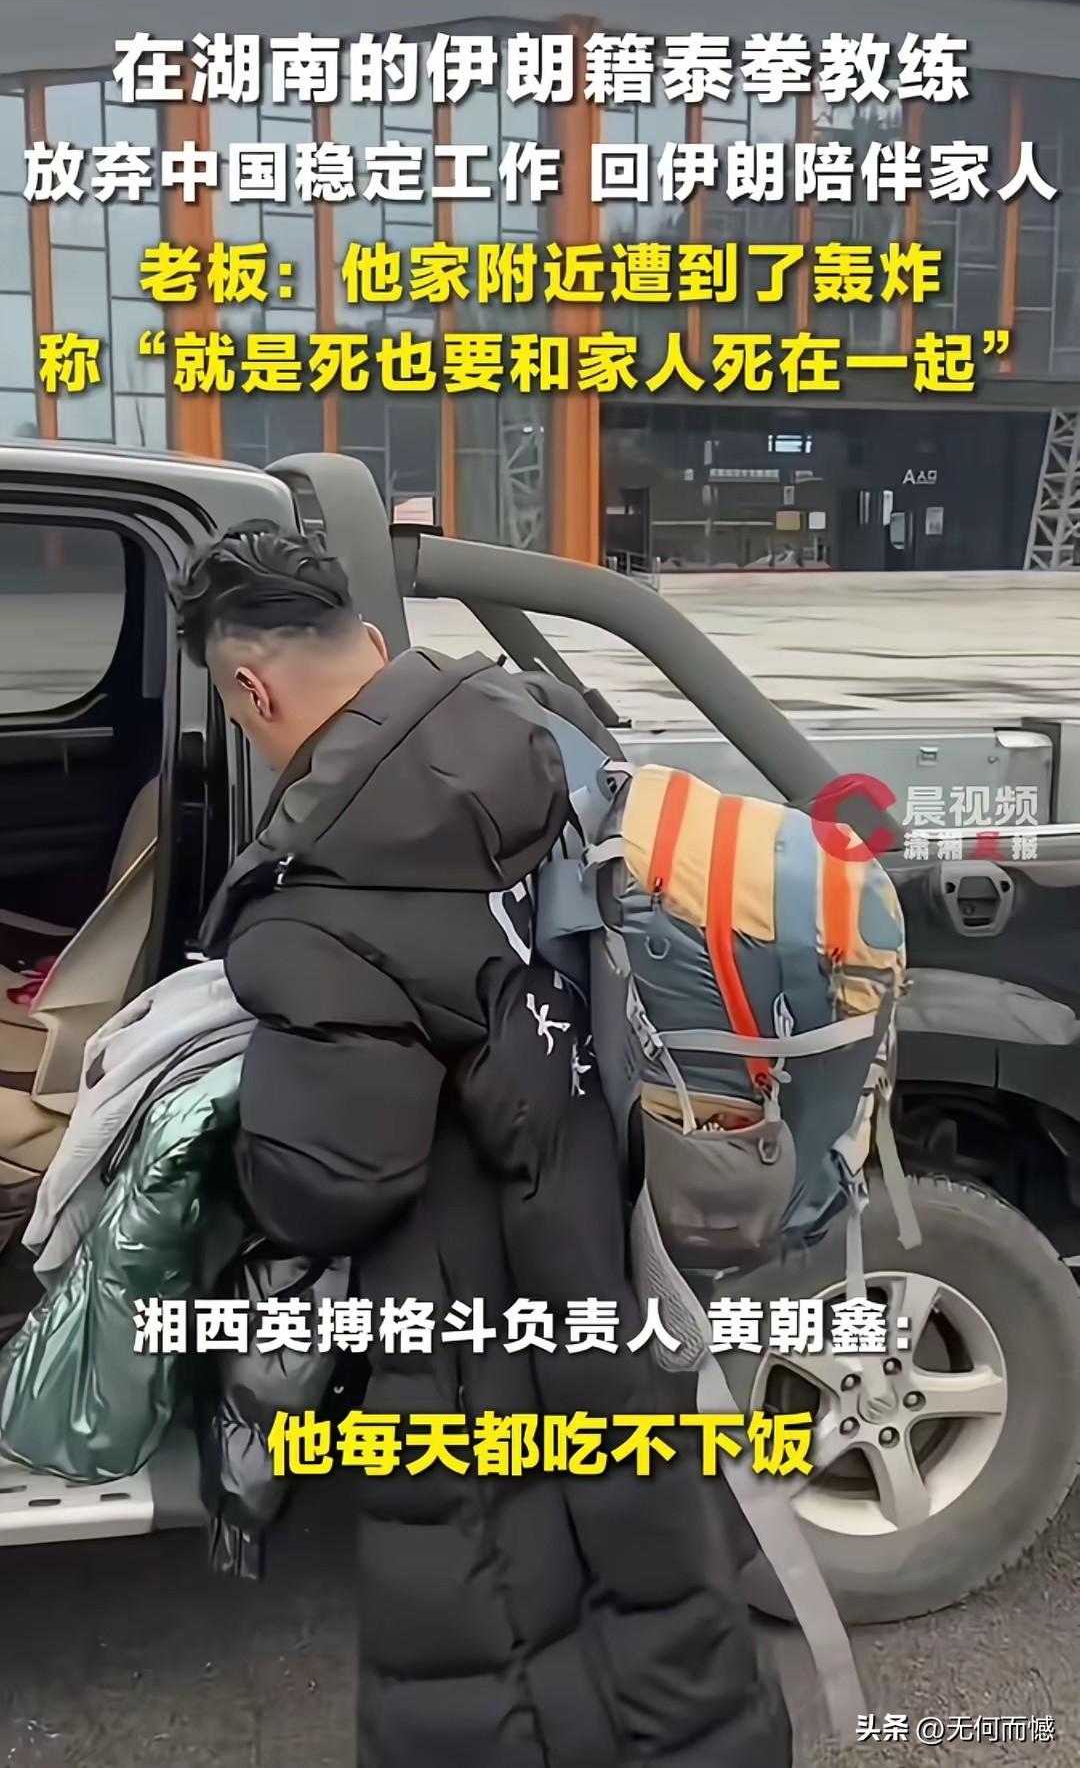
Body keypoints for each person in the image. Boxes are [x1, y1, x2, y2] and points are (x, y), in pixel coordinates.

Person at [171, 524, 792, 1768]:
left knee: (495, 1650)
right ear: (367, 638)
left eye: (239, 717)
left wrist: (225, 1131)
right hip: (591, 1270)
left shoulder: (323, 902)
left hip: (463, 1344)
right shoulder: (530, 740)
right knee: (654, 1595)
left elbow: (332, 1183)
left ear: (251, 687)